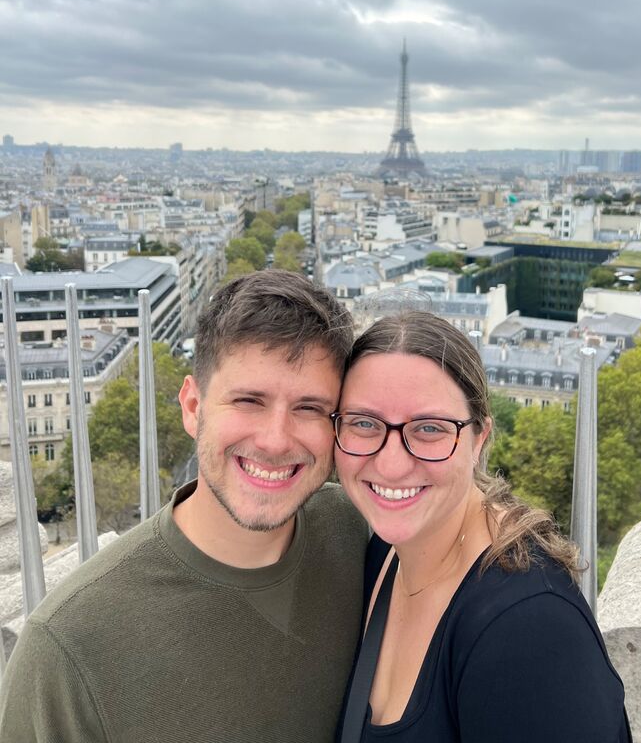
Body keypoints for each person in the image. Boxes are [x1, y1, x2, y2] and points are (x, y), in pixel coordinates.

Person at [0, 271, 369, 743]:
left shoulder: (358, 532)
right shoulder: (69, 648)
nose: (276, 440)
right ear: (193, 406)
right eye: (248, 400)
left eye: (310, 409)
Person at [333, 311, 631, 742]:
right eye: (363, 423)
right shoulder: (383, 552)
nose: (391, 463)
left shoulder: (531, 632)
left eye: (429, 428)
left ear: (479, 439)